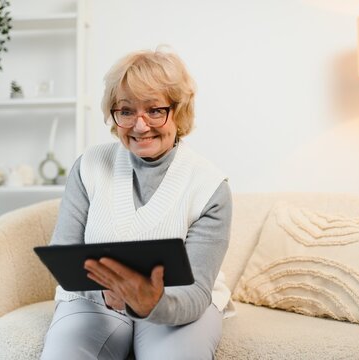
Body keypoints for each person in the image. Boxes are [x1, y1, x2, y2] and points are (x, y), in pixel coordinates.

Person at [40, 48, 232, 360]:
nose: (140, 126)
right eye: (126, 111)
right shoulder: (88, 166)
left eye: (155, 110)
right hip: (95, 301)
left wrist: (152, 304)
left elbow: (196, 292)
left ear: (179, 111)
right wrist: (106, 291)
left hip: (176, 304)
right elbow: (64, 255)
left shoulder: (210, 185)